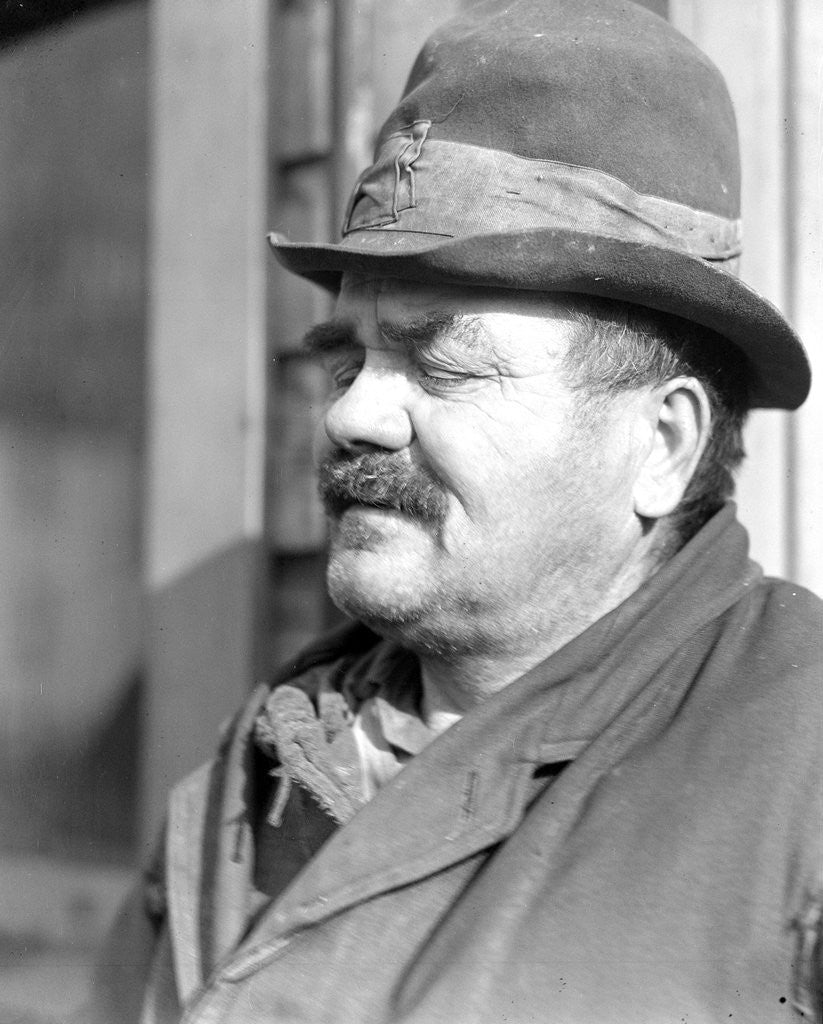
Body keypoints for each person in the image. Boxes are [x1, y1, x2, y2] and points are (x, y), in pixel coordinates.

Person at [92, 1, 822, 1021]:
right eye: (349, 356)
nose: (351, 412)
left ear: (661, 445)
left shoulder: (801, 769)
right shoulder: (254, 766)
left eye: (439, 358)